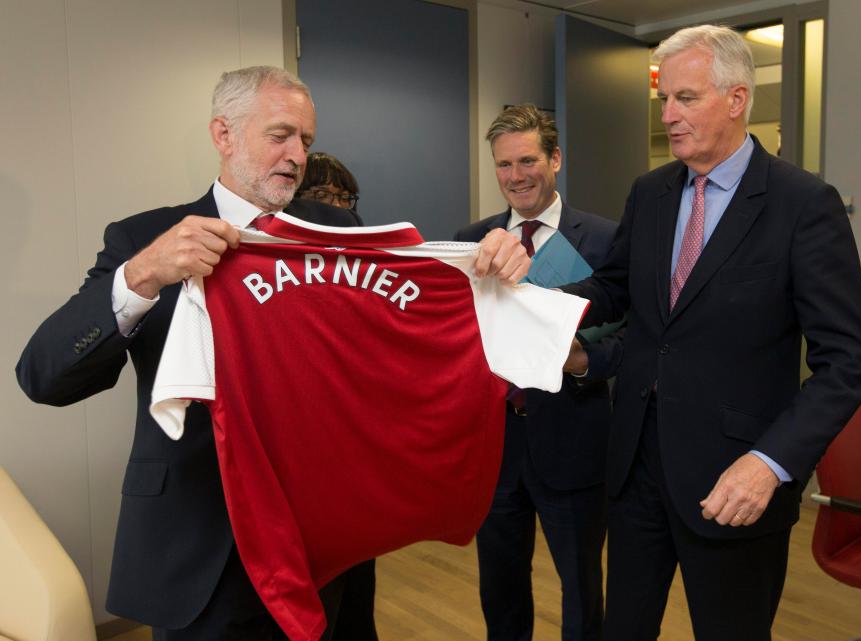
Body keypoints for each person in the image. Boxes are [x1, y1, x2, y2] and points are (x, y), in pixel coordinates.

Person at [16, 65, 529, 640]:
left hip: (326, 537)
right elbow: (43, 376)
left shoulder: (337, 229)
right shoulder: (145, 238)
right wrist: (139, 278)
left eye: (306, 141)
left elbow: (407, 320)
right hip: (203, 542)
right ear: (223, 134)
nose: (297, 155)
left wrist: (490, 263)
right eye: (280, 135)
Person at [562, 26, 861, 641]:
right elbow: (613, 289)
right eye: (664, 101)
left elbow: (847, 363)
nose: (669, 116)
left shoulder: (804, 204)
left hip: (736, 481)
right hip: (636, 471)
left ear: (736, 99)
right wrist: (526, 305)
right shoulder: (650, 193)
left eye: (686, 98)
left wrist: (771, 463)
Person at [455, 104, 621, 641]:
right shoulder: (471, 240)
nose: (516, 176)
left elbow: (632, 338)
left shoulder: (604, 239)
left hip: (573, 437)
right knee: (499, 585)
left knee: (580, 586)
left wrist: (582, 362)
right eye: (504, 165)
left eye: (528, 161)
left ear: (556, 159)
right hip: (495, 445)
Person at [294, 151, 377, 641]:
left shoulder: (366, 264)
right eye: (323, 196)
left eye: (345, 198)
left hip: (351, 468)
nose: (338, 208)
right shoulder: (266, 268)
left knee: (354, 604)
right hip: (297, 470)